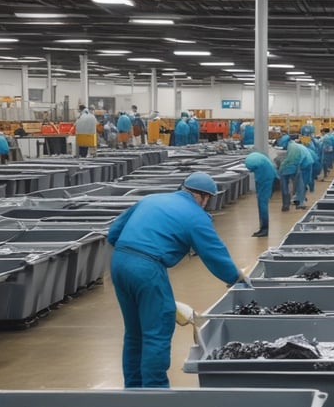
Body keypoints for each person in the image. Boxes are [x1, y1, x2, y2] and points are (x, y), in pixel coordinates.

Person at [107, 172, 250, 388]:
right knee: (157, 330)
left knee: (134, 332)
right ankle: (155, 393)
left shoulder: (150, 199)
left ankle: (134, 390)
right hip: (147, 268)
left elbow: (113, 233)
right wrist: (237, 279)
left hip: (119, 262)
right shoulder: (196, 216)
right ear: (204, 197)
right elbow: (214, 254)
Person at [244, 152, 278, 237]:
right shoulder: (259, 161)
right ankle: (263, 228)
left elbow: (259, 179)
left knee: (263, 204)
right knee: (262, 203)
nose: (251, 171)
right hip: (269, 176)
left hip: (266, 180)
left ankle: (264, 229)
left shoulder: (261, 170)